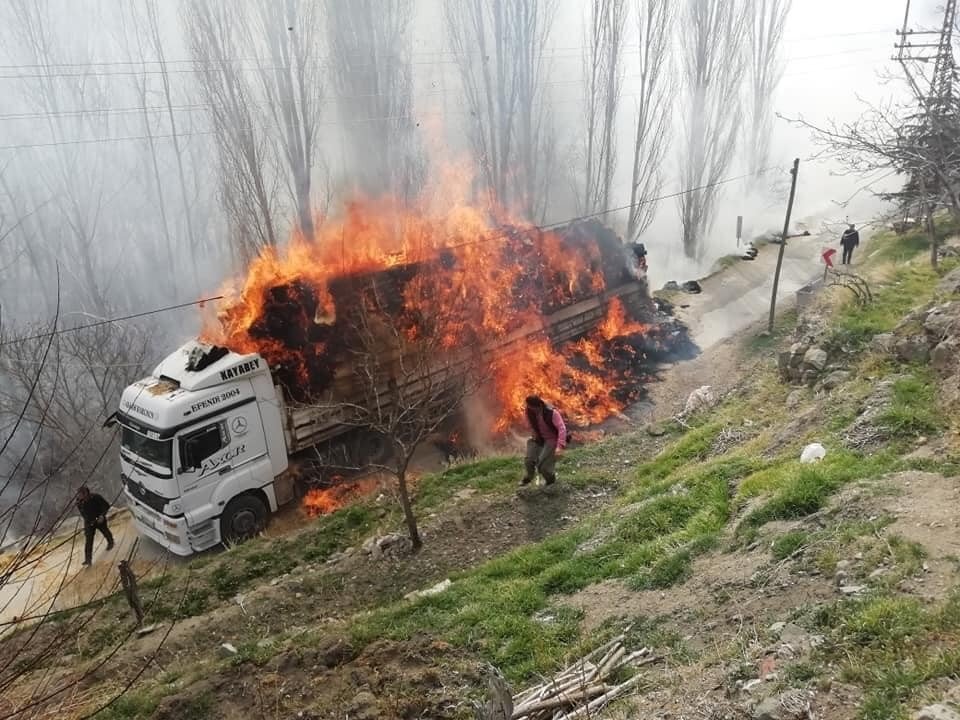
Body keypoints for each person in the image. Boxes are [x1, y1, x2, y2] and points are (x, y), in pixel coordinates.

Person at [521, 395, 567, 486]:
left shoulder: (551, 413)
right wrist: (534, 433)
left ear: (538, 406)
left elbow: (562, 429)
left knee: (543, 466)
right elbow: (530, 423)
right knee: (529, 461)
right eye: (529, 407)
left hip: (551, 439)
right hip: (538, 438)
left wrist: (559, 446)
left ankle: (550, 480)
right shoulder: (529, 411)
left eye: (532, 407)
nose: (530, 409)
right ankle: (529, 477)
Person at [76, 486, 114, 566]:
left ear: (87, 493)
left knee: (105, 531)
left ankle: (111, 543)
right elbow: (83, 514)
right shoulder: (79, 503)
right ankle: (88, 559)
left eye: (82, 494)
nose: (81, 497)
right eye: (79, 495)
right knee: (89, 540)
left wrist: (102, 515)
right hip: (89, 522)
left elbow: (106, 506)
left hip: (100, 518)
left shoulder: (96, 497)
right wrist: (89, 522)